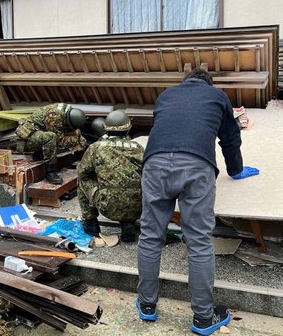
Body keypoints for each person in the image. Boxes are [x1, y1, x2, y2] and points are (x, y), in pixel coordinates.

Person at [136, 68, 259, 335]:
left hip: (155, 163)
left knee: (150, 236)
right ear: (208, 83)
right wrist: (236, 170)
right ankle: (204, 317)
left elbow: (162, 127)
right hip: (196, 165)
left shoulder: (166, 95)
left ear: (185, 82)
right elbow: (230, 138)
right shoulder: (217, 96)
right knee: (199, 241)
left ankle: (147, 306)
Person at [77, 110, 144, 243]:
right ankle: (128, 226)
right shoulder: (138, 147)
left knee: (82, 178)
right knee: (130, 184)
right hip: (138, 208)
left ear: (106, 129)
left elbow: (83, 172)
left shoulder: (96, 148)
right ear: (128, 129)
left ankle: (91, 224)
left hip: (107, 206)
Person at [16, 103, 86, 184]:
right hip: (25, 140)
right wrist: (75, 140)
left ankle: (39, 154)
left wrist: (78, 136)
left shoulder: (66, 111)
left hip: (37, 133)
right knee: (51, 137)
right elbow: (59, 142)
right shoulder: (55, 116)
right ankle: (50, 171)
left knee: (50, 136)